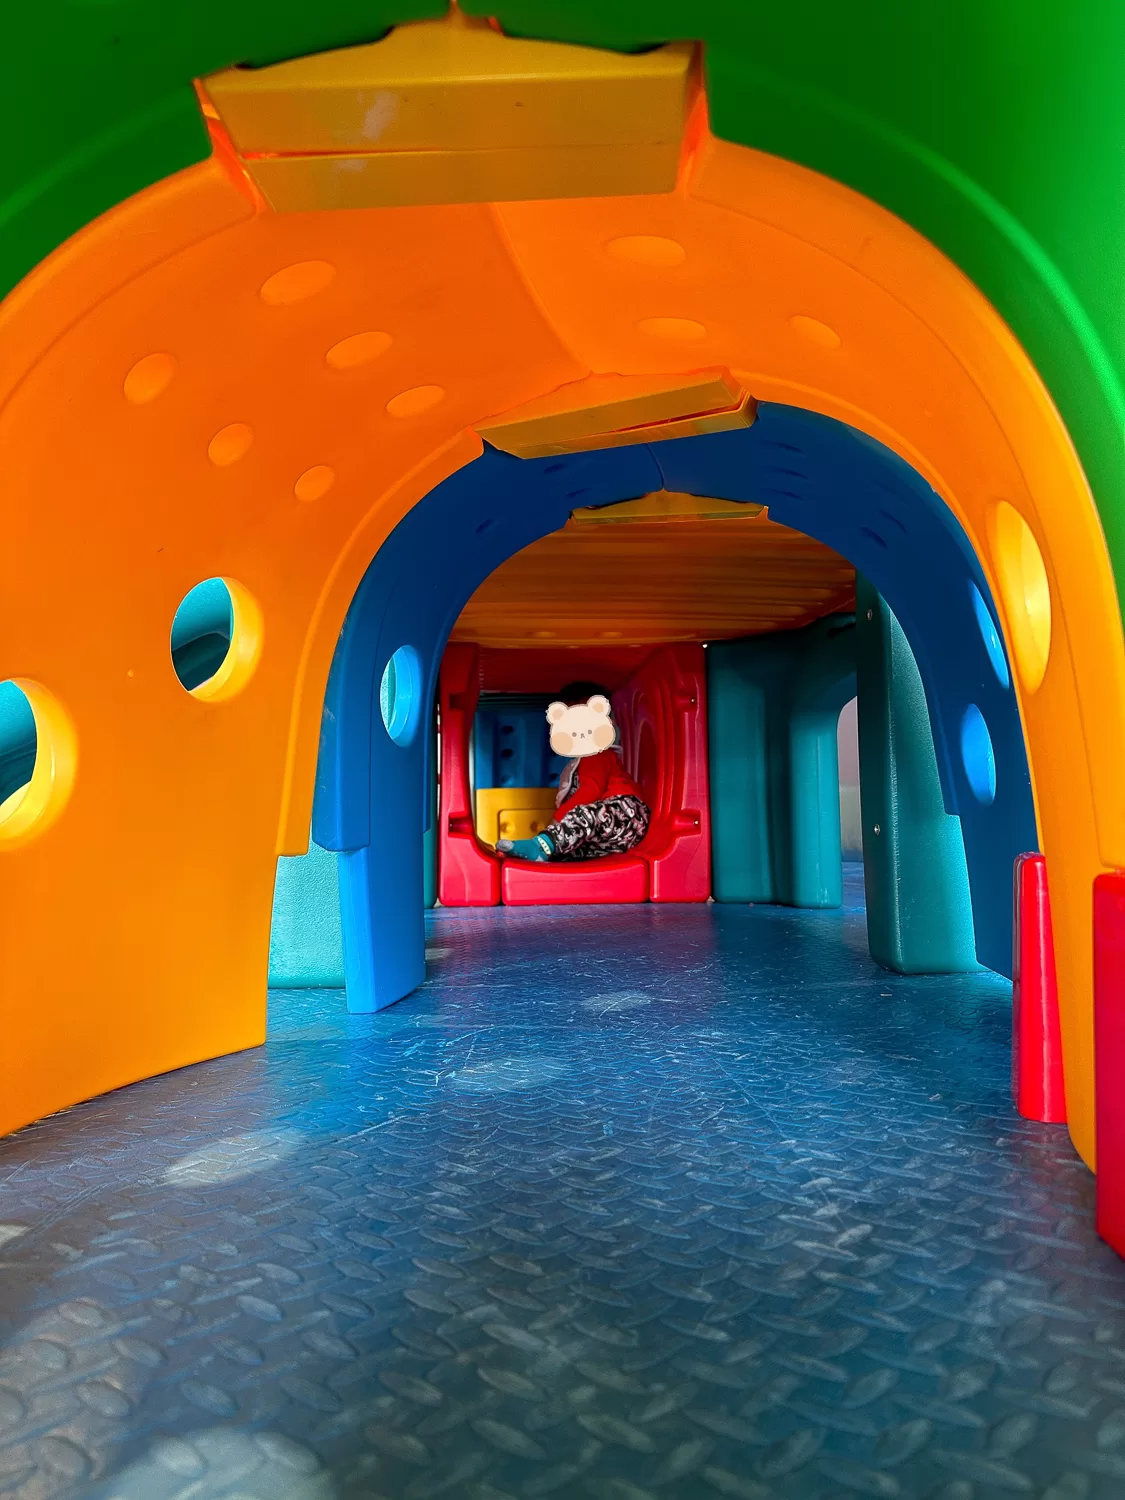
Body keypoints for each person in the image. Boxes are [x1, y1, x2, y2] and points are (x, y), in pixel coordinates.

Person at [496, 681, 651, 862]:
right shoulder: (579, 762)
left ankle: (541, 845)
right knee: (572, 844)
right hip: (608, 832)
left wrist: (554, 824)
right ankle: (541, 852)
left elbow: (588, 792)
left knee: (581, 816)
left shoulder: (597, 755)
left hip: (626, 815)